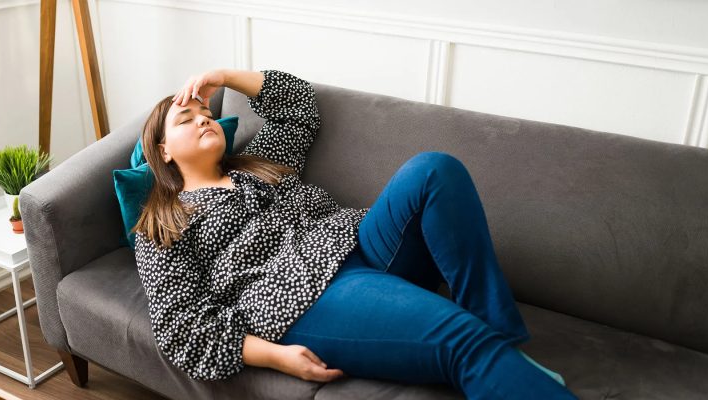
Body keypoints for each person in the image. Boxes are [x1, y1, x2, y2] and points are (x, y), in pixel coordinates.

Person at [131, 68, 579, 399]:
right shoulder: (163, 226)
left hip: (359, 242)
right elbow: (181, 330)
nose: (203, 119)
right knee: (460, 339)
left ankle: (502, 338)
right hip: (301, 297)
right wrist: (276, 356)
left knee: (433, 169)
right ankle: (496, 357)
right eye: (185, 119)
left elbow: (298, 106)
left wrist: (225, 77)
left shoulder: (258, 162)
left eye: (206, 112)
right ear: (163, 151)